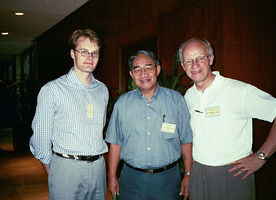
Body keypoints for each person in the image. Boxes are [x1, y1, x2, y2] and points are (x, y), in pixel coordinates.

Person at [178, 37, 276, 200]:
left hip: (233, 174)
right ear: (183, 66)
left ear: (210, 59)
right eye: (188, 61)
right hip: (198, 172)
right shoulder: (188, 96)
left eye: (200, 58)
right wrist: (189, 173)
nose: (194, 65)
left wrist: (262, 156)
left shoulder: (238, 90)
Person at [29, 29, 109, 200]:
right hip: (67, 168)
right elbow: (41, 134)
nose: (90, 57)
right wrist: (48, 164)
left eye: (95, 53)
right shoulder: (52, 90)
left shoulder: (102, 90)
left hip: (98, 168)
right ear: (73, 54)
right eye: (84, 52)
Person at [105, 50, 193, 200]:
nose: (143, 73)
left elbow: (186, 140)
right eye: (137, 69)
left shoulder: (175, 100)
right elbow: (115, 143)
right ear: (131, 75)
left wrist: (188, 174)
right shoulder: (122, 104)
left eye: (148, 68)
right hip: (131, 180)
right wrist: (112, 175)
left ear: (157, 70)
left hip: (168, 180)